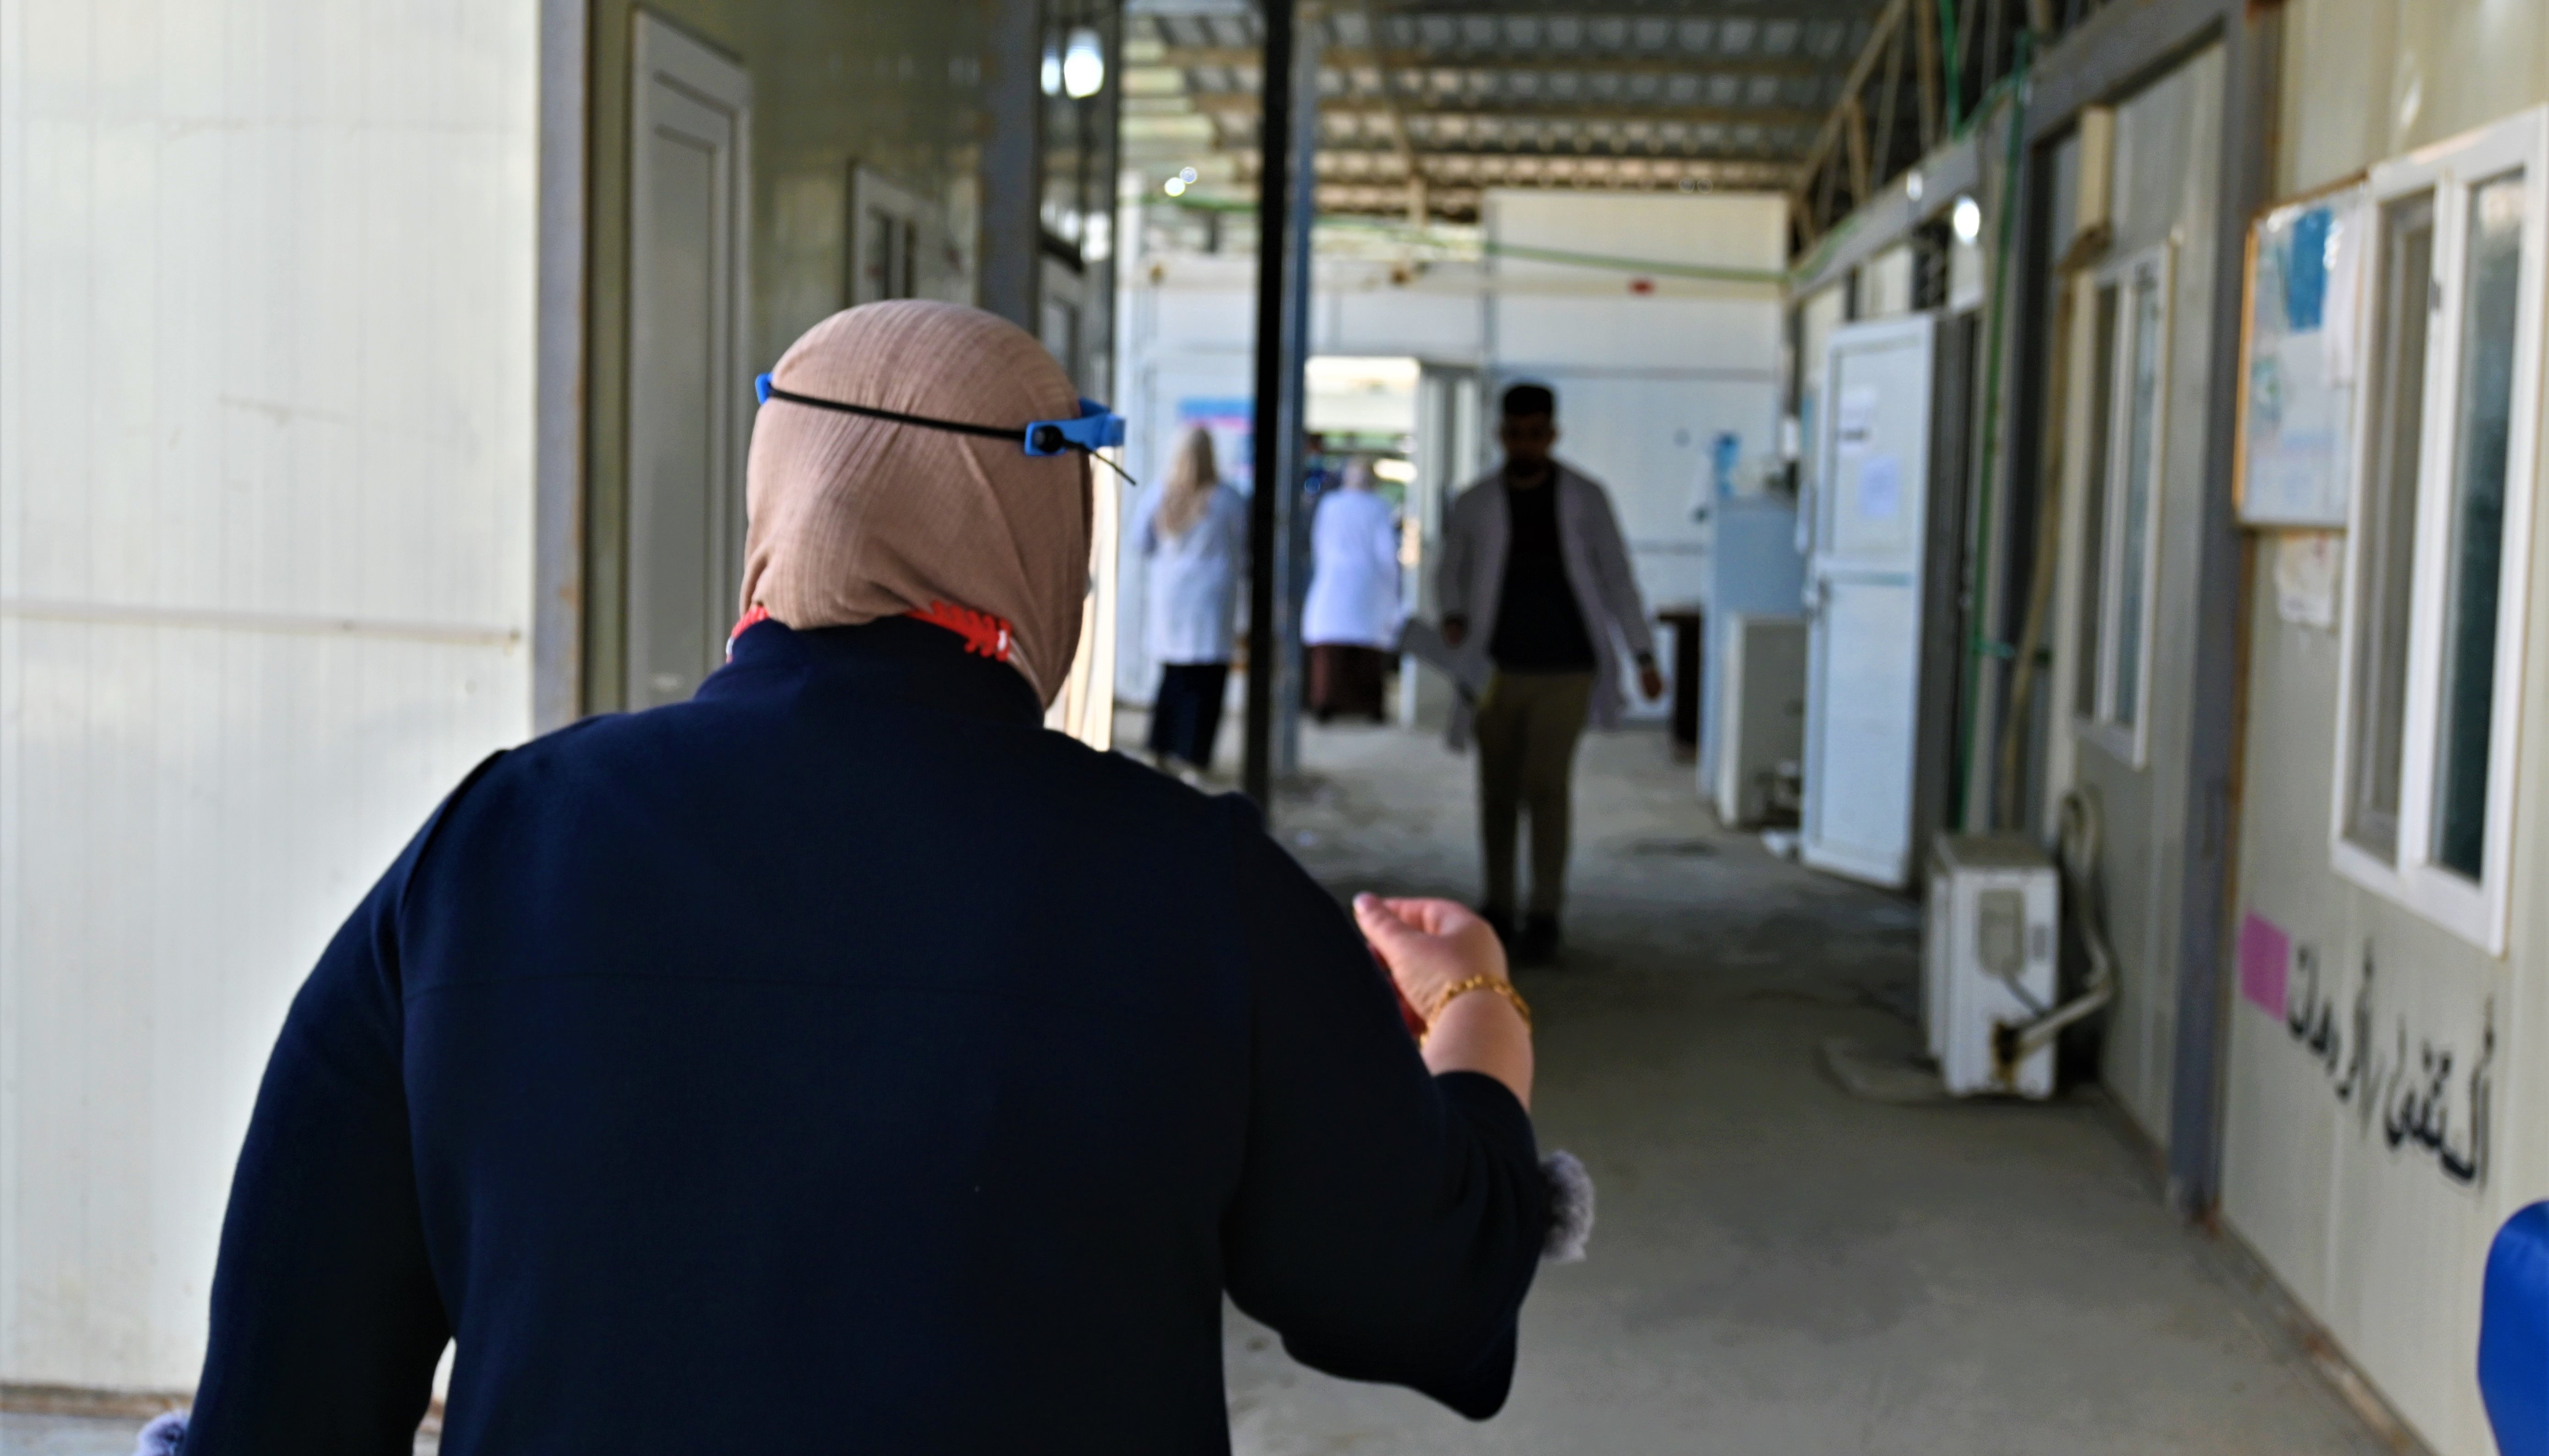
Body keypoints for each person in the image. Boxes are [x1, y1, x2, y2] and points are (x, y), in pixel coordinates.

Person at [166, 302, 1576, 1455]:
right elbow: (1416, 1289)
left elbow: (283, 1398)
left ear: (774, 509)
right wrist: (1473, 1018)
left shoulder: (489, 848)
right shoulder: (1193, 886)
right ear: (1052, 550)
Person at [1437, 382, 1665, 965]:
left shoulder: (1586, 498)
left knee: (1546, 788)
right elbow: (1451, 572)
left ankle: (1544, 911)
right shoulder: (1475, 502)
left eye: (1536, 433)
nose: (1525, 443)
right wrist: (1455, 617)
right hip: (1495, 670)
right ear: (1501, 435)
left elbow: (1617, 577)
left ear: (1553, 434)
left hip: (1567, 669)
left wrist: (1643, 655)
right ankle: (1498, 905)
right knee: (1497, 792)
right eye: (1515, 434)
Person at [1137, 426, 1248, 777]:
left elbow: (1140, 542)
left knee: (1173, 676)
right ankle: (1194, 756)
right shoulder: (1228, 499)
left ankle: (1162, 746)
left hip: (1172, 597)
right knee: (1207, 683)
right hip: (1212, 601)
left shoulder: (1161, 495)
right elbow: (1244, 549)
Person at [1301, 458, 1405, 723]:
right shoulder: (1378, 508)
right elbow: (1387, 554)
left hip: (1335, 583)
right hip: (1367, 587)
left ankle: (1328, 703)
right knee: (1365, 652)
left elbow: (1319, 545)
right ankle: (1365, 707)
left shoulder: (1331, 506)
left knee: (1333, 651)